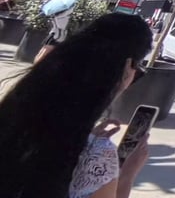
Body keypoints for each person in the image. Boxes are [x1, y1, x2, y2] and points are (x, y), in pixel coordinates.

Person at [0, 13, 153, 198]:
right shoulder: (98, 156)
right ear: (127, 69)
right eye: (138, 70)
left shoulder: (12, 117)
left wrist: (85, 135)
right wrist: (128, 174)